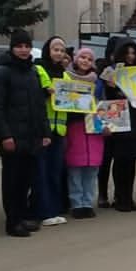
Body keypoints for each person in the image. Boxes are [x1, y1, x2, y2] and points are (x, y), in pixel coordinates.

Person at [0, 30, 51, 236]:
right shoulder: (2, 72)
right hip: (13, 137)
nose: (23, 50)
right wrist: (4, 136)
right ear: (12, 48)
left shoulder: (33, 71)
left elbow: (39, 106)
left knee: (26, 180)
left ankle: (23, 217)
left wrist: (45, 132)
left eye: (26, 46)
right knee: (12, 181)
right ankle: (12, 221)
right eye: (19, 46)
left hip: (32, 137)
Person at [99, 39, 136, 211]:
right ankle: (120, 197)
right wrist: (111, 86)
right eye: (127, 53)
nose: (131, 56)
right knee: (120, 161)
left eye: (133, 53)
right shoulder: (111, 72)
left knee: (131, 162)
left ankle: (128, 197)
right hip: (118, 121)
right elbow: (104, 96)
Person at [56, 47, 104, 218]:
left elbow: (104, 104)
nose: (85, 61)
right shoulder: (65, 77)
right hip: (74, 127)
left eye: (89, 59)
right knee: (75, 169)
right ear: (76, 59)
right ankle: (76, 203)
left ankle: (87, 202)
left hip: (93, 128)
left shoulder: (98, 81)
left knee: (91, 170)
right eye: (82, 57)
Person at [33, 35, 70, 228]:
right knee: (42, 172)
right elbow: (34, 96)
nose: (59, 53)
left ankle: (55, 209)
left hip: (60, 128)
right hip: (43, 129)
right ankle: (43, 210)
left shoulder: (64, 74)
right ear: (48, 50)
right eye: (55, 49)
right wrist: (46, 92)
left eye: (62, 50)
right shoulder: (39, 69)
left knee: (55, 171)